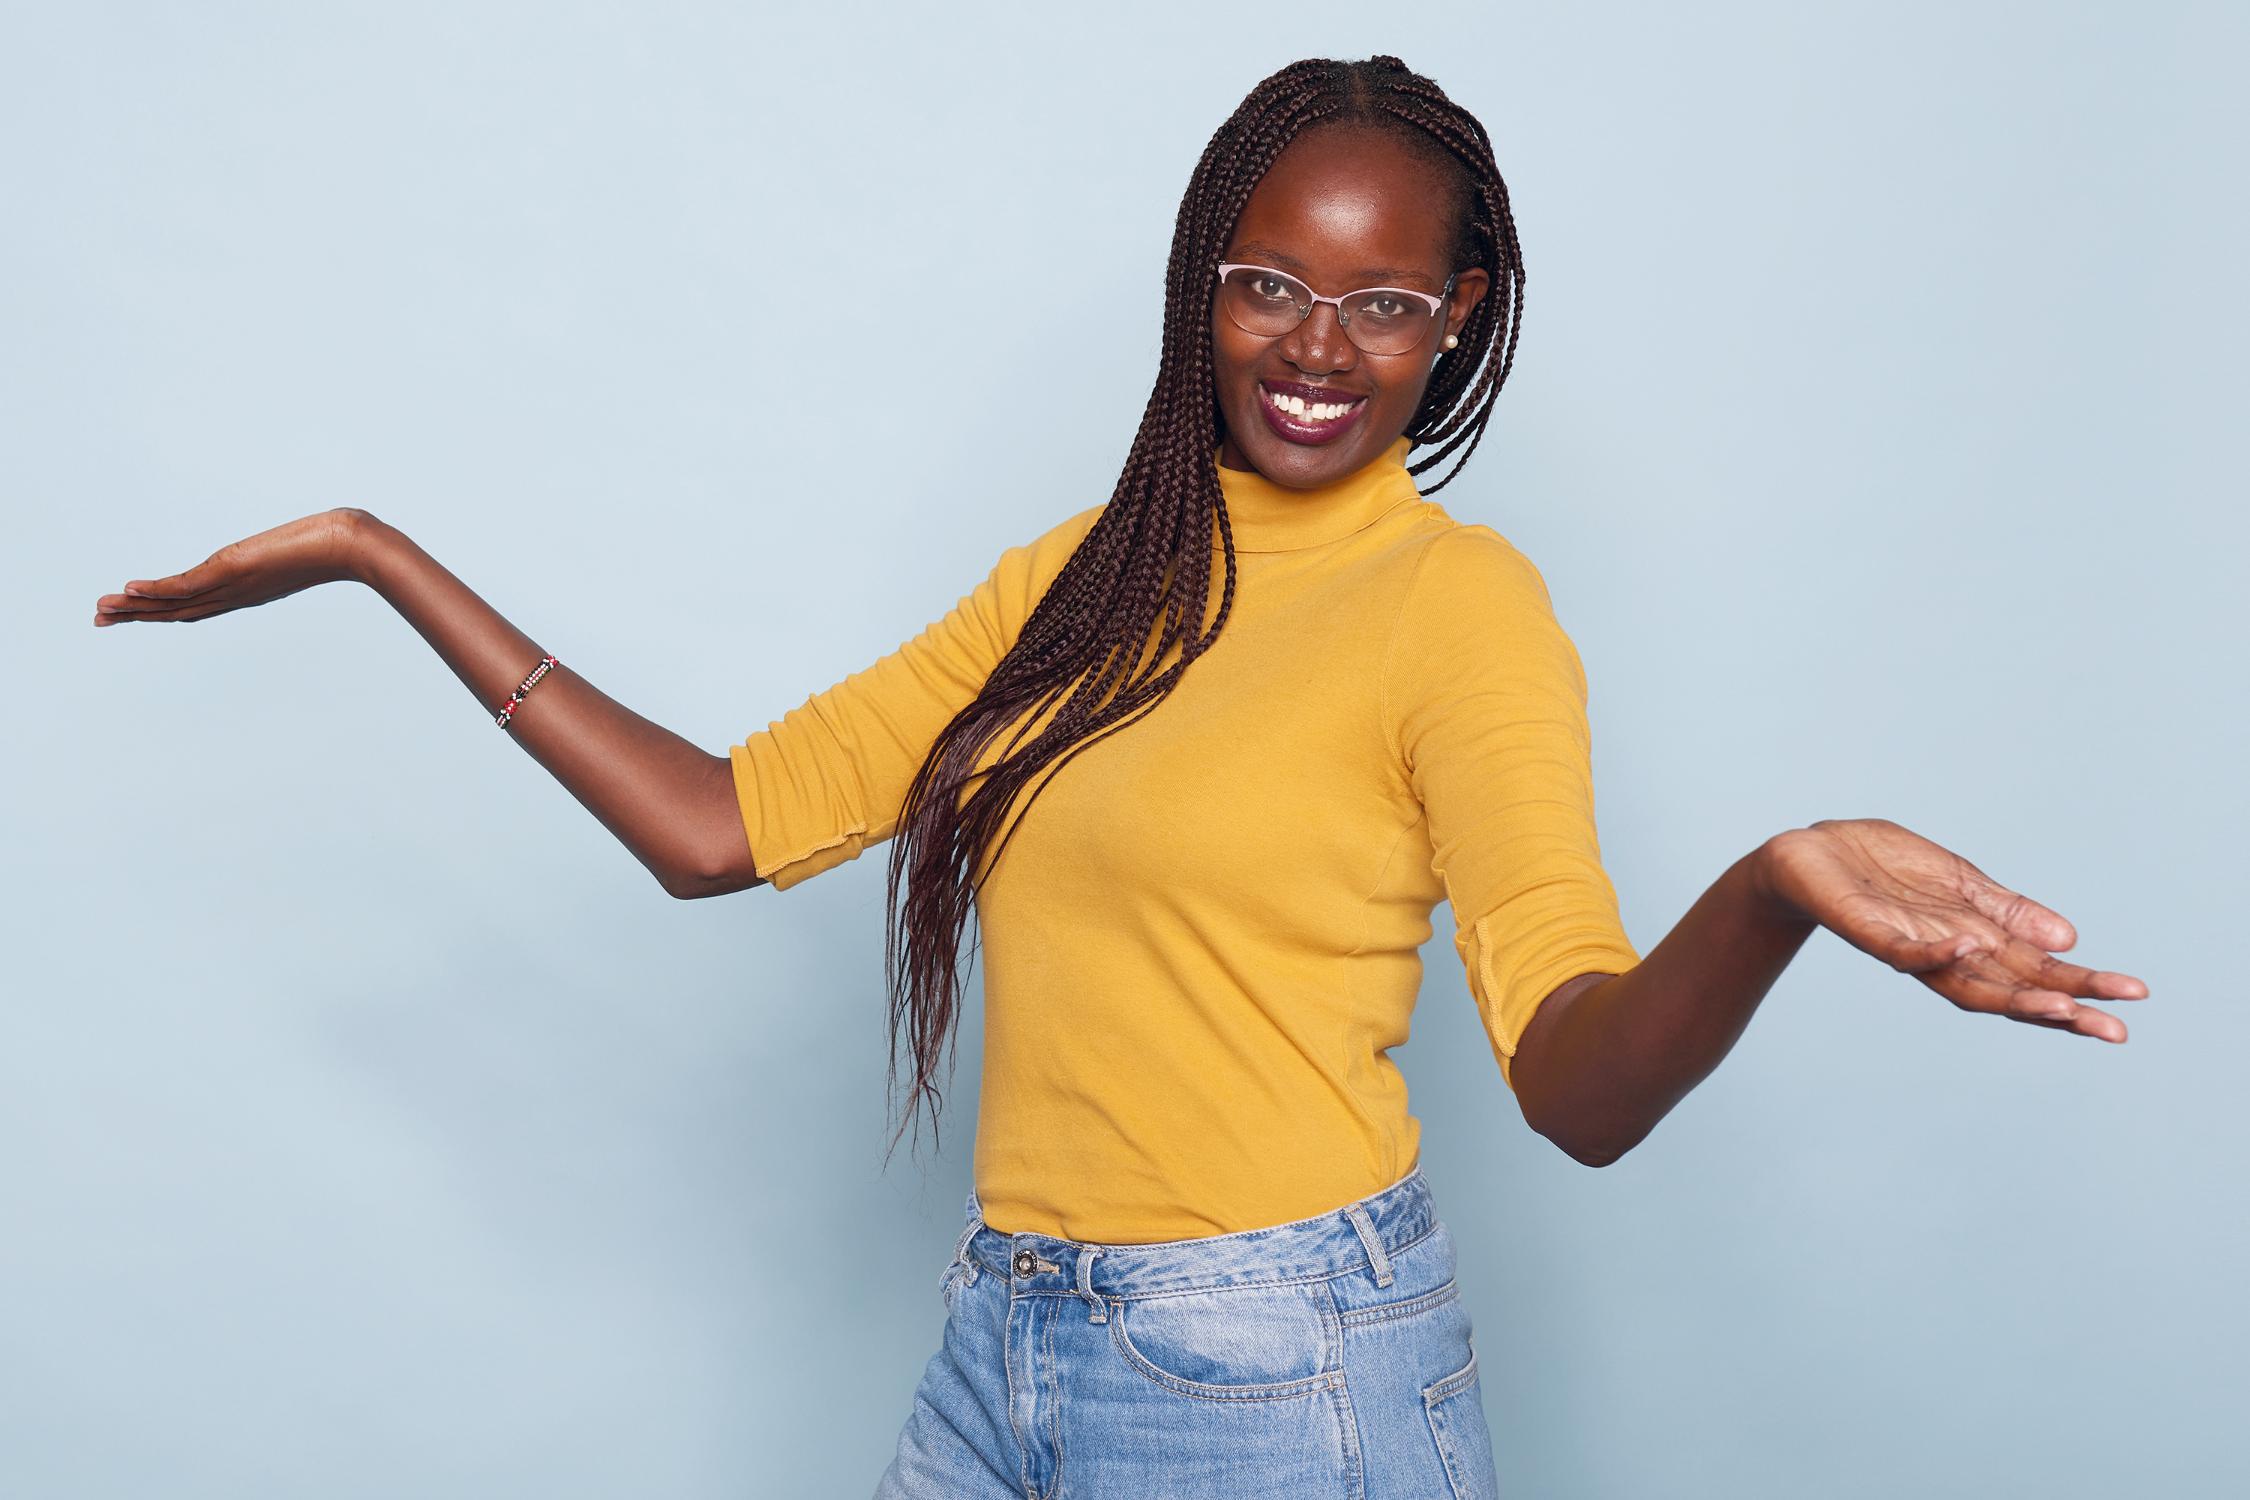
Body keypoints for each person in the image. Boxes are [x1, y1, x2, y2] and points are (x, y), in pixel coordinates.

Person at [93, 54, 2147, 1500]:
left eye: (1380, 303)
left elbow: (1577, 1079)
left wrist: (1777, 884)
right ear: (1204, 280)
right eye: (1267, 282)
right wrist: (377, 559)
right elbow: (717, 829)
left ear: (1460, 321)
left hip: (1279, 1376)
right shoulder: (1087, 579)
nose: (1314, 348)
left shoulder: (1463, 611)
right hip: (1014, 1334)